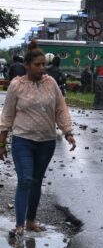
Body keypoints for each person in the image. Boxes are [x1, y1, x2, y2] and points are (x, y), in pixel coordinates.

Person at [0, 40, 76, 237]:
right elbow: (7, 115)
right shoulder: (17, 86)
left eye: (44, 64)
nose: (42, 68)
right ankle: (19, 224)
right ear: (27, 65)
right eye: (38, 65)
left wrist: (68, 132)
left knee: (36, 180)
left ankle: (31, 219)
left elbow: (60, 108)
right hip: (22, 140)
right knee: (24, 179)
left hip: (46, 141)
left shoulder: (51, 84)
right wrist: (1, 142)